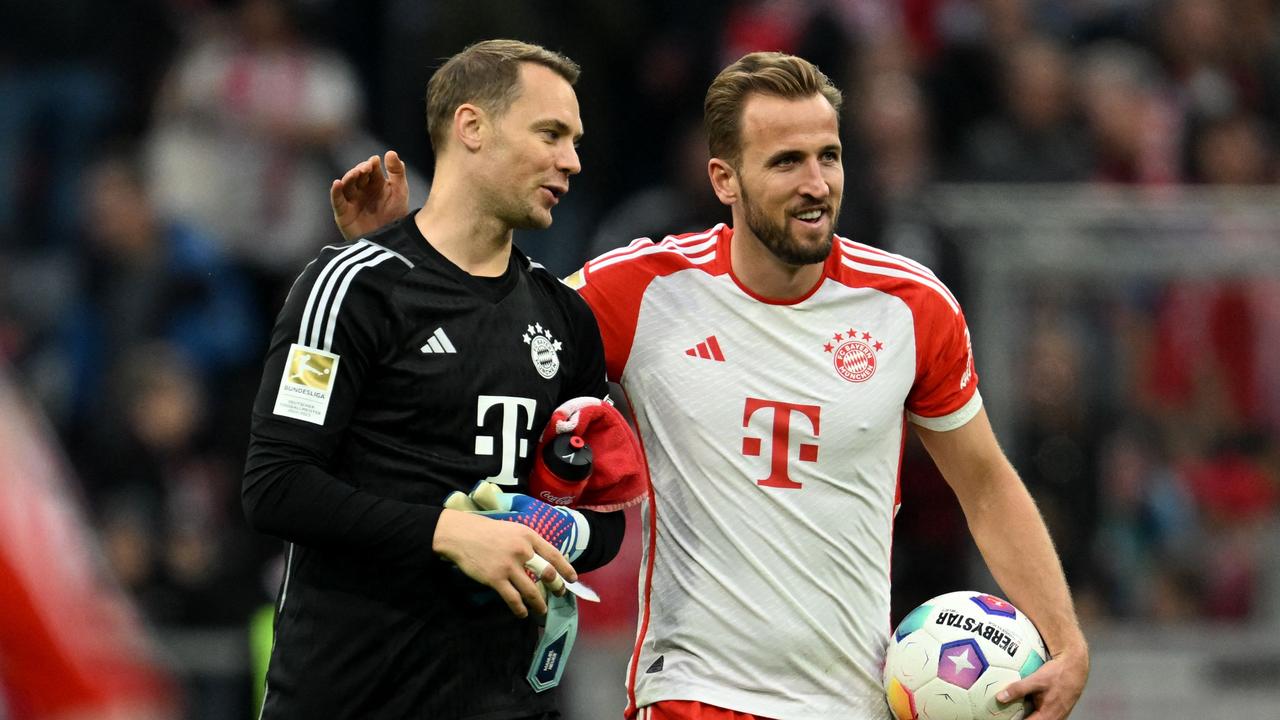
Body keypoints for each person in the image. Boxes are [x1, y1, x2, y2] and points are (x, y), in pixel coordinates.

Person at [332, 51, 1089, 720]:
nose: (817, 183)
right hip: (693, 692)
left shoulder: (912, 307)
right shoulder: (641, 290)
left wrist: (1066, 640)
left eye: (829, 156)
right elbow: (478, 347)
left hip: (852, 697)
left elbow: (984, 484)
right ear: (724, 178)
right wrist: (394, 259)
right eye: (787, 161)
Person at [242, 39, 626, 720]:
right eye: (550, 133)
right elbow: (276, 487)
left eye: (574, 139)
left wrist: (548, 528)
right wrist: (450, 533)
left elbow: (604, 522)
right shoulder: (353, 286)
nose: (571, 160)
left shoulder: (565, 318)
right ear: (471, 127)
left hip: (506, 704)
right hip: (350, 698)